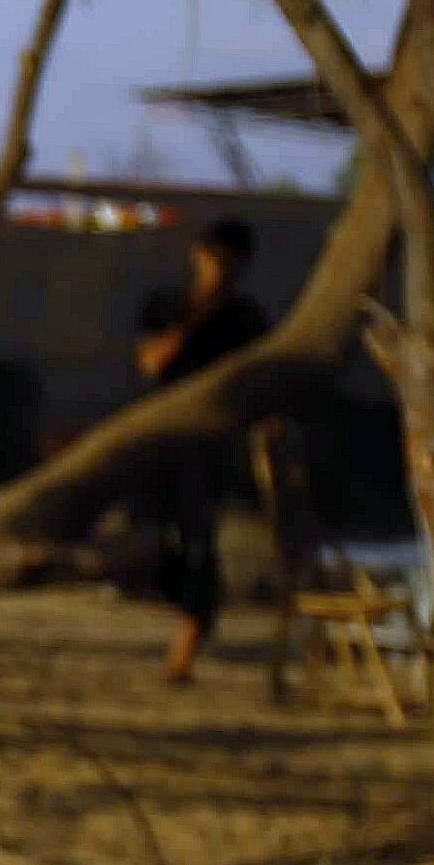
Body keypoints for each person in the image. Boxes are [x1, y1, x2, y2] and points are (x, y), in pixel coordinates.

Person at [129, 214, 272, 685]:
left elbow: (257, 383)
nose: (218, 270)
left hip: (209, 449)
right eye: (212, 259)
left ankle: (183, 653)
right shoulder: (168, 306)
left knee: (199, 546)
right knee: (150, 541)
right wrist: (195, 316)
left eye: (228, 262)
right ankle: (192, 615)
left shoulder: (246, 319)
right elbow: (153, 363)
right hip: (156, 441)